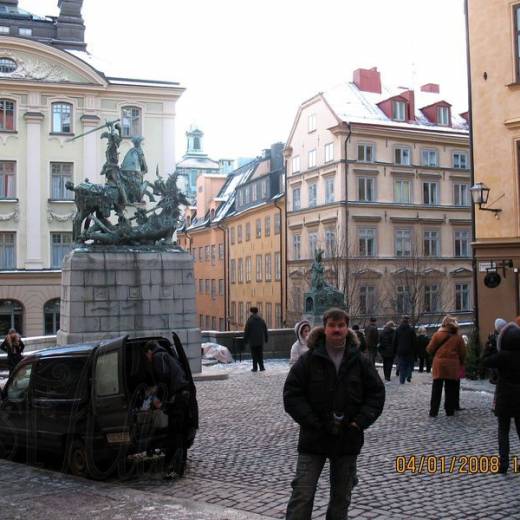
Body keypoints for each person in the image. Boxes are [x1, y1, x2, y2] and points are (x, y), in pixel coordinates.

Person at [283, 308, 385, 520]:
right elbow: (292, 395)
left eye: (341, 326)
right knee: (302, 493)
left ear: (347, 328)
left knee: (341, 498)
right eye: (332, 325)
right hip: (314, 438)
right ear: (325, 328)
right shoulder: (309, 360)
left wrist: (358, 423)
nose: (337, 329)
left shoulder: (360, 361)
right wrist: (312, 422)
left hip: (348, 439)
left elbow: (376, 394)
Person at [144, 340, 191, 479]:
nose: (147, 359)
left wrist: (157, 399)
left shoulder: (158, 357)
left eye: (146, 356)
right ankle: (179, 467)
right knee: (180, 434)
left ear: (149, 352)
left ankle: (172, 469)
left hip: (177, 399)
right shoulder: (166, 355)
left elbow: (163, 380)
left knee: (174, 434)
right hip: (183, 396)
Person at [482, 321, 520, 473]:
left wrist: (489, 347)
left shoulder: (502, 356)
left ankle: (503, 464)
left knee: (503, 430)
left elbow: (485, 361)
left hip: (505, 396)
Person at [426, 316, 466, 417]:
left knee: (436, 389)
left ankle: (433, 411)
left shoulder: (437, 335)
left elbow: (429, 349)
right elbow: (463, 353)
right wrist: (461, 362)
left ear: (443, 324)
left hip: (439, 365)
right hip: (452, 366)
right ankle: (449, 411)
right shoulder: (458, 337)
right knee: (451, 389)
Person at [244, 307, 268, 372]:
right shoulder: (261, 319)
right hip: (260, 340)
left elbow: (246, 331)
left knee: (254, 355)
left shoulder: (250, 320)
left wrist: (245, 340)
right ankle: (262, 367)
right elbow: (265, 330)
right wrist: (266, 338)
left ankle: (255, 368)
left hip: (252, 341)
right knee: (260, 354)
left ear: (251, 312)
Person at [393, 317, 416, 384]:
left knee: (402, 365)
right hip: (409, 350)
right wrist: (414, 350)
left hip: (400, 350)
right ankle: (408, 376)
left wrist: (395, 350)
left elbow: (395, 341)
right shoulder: (411, 330)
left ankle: (402, 380)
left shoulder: (398, 330)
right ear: (408, 322)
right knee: (409, 364)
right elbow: (414, 341)